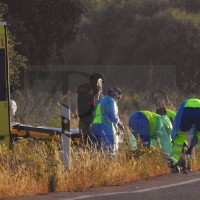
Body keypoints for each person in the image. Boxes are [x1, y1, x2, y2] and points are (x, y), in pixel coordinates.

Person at [90, 87, 124, 157]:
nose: (117, 100)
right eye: (118, 98)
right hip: (105, 129)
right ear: (115, 95)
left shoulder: (99, 101)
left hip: (94, 128)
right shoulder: (111, 101)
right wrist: (119, 123)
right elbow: (111, 115)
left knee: (96, 152)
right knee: (109, 152)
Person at [77, 72, 105, 145]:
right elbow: (83, 100)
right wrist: (94, 93)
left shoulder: (93, 92)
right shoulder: (84, 88)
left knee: (92, 145)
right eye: (98, 83)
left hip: (92, 122)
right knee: (85, 144)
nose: (99, 85)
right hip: (85, 122)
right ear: (93, 81)